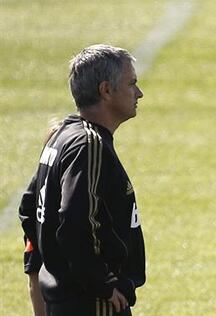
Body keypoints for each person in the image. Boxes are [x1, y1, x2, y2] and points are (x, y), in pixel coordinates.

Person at [18, 44, 146, 316]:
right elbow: (76, 219)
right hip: (92, 303)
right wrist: (103, 284)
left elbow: (30, 208)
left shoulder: (62, 136)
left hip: (68, 301)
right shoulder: (89, 144)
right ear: (106, 90)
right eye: (131, 83)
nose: (139, 93)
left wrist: (46, 275)